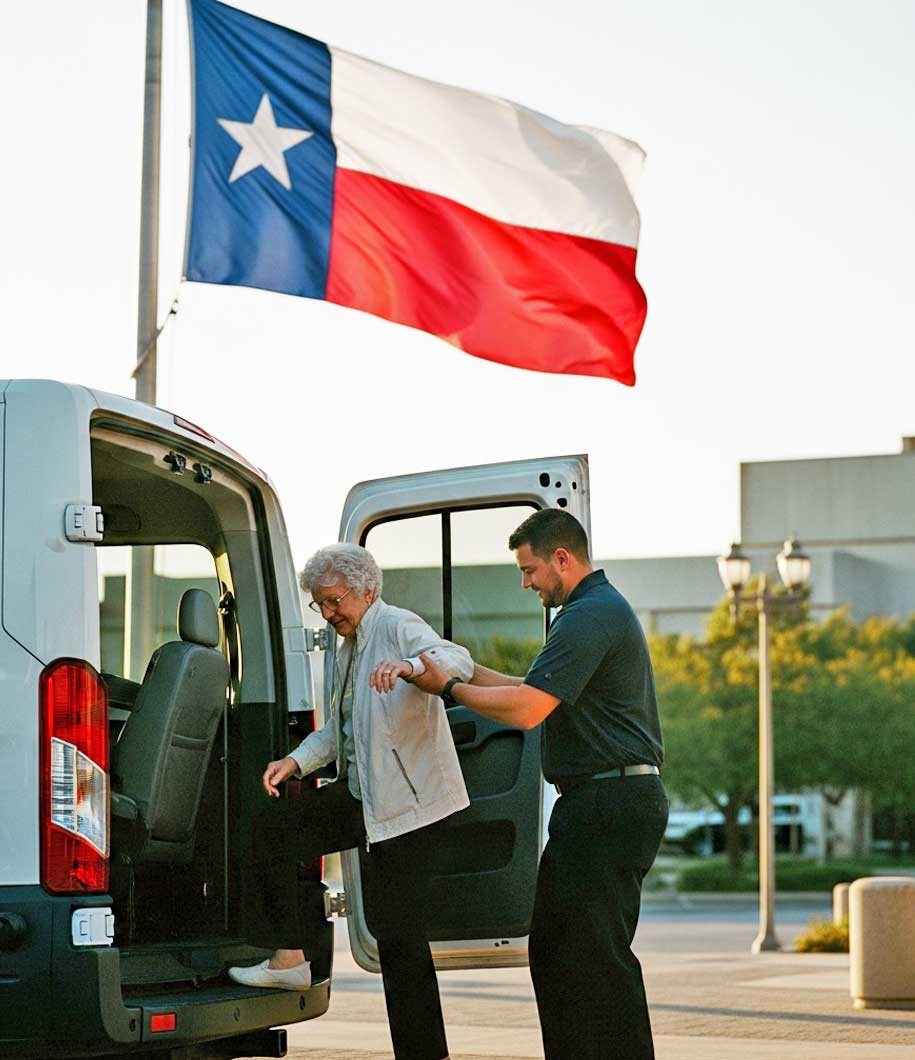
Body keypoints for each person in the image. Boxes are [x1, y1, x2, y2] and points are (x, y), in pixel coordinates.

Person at [401, 508, 668, 1060]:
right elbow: (531, 686)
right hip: (603, 803)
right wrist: (466, 669)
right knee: (561, 952)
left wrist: (449, 688)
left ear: (561, 559)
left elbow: (526, 709)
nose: (525, 582)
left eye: (529, 570)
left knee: (594, 959)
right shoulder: (591, 611)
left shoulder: (587, 615)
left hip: (608, 804)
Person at [228, 543, 472, 1060]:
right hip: (364, 799)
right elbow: (339, 735)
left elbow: (458, 660)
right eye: (320, 604)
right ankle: (290, 957)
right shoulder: (346, 648)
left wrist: (410, 667)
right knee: (273, 829)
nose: (328, 612)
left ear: (368, 589)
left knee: (400, 940)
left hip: (410, 810)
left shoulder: (397, 624)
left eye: (334, 600)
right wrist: (294, 762)